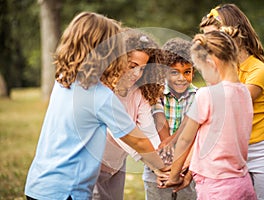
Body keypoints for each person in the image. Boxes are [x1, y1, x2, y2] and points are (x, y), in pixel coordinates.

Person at [24, 12, 166, 200]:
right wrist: (163, 169)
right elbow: (137, 140)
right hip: (68, 191)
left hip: (38, 186)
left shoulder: (63, 81)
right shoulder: (100, 96)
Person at [158, 30, 257, 200]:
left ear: (211, 62)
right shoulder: (244, 92)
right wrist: (188, 176)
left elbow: (185, 140)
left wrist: (174, 176)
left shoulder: (207, 94)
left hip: (216, 188)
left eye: (201, 69)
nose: (203, 75)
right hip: (242, 182)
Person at [200, 4, 264, 199]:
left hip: (262, 149)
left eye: (213, 37)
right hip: (232, 150)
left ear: (232, 34)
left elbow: (233, 104)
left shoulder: (257, 70)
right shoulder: (216, 66)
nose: (208, 45)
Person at [92, 29, 166, 200]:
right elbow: (124, 137)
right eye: (132, 66)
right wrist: (155, 166)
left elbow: (149, 132)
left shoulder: (138, 94)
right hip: (93, 167)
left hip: (116, 166)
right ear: (118, 60)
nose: (137, 74)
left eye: (142, 69)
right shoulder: (104, 92)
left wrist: (164, 162)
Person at [145, 37, 197, 200]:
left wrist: (181, 167)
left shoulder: (199, 97)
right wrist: (162, 165)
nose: (181, 78)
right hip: (157, 166)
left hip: (187, 166)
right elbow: (155, 128)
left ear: (193, 71)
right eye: (174, 72)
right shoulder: (155, 95)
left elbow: (194, 135)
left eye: (187, 72)